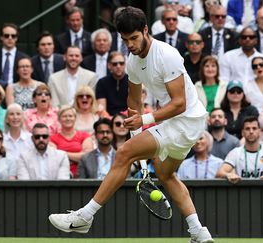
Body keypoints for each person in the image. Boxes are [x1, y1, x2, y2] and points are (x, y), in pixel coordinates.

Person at [48, 6, 214, 243]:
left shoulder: (167, 54)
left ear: (146, 30)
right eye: (126, 40)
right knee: (166, 175)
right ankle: (198, 231)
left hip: (186, 119)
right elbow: (134, 100)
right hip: (177, 122)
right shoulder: (133, 61)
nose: (131, 45)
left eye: (135, 38)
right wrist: (135, 130)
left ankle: (85, 216)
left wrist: (144, 121)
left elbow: (179, 103)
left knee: (124, 153)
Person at [216, 116, 263, 183]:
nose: (251, 131)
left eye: (254, 128)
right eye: (247, 129)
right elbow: (219, 173)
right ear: (242, 133)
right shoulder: (235, 152)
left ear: (259, 131)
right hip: (242, 193)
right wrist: (228, 175)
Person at [50, 106, 93, 178]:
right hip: (59, 176)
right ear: (59, 119)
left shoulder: (84, 136)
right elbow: (54, 159)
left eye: (70, 116)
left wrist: (63, 154)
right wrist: (77, 157)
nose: (68, 118)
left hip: (81, 175)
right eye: (64, 116)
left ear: (75, 118)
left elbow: (87, 157)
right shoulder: (52, 138)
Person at [95, 51, 129, 116]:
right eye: (115, 64)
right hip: (108, 119)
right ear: (109, 65)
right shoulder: (102, 82)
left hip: (128, 118)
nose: (118, 66)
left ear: (125, 64)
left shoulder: (132, 81)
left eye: (121, 63)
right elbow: (102, 109)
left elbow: (134, 107)